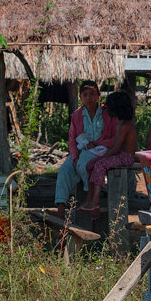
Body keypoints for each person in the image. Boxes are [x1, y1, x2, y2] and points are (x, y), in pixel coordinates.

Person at [54, 81, 116, 219]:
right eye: (85, 95)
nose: (89, 98)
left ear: (99, 96)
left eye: (92, 94)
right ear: (80, 97)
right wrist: (74, 158)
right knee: (65, 169)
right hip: (82, 151)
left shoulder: (108, 113)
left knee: (86, 163)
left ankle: (93, 201)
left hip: (102, 151)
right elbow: (72, 139)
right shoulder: (77, 115)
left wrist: (95, 144)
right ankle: (61, 209)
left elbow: (114, 136)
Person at [79, 91, 139, 217]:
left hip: (126, 157)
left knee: (99, 165)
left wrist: (102, 157)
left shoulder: (124, 125)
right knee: (90, 164)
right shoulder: (120, 123)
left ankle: (96, 201)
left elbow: (115, 148)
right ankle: (90, 198)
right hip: (120, 155)